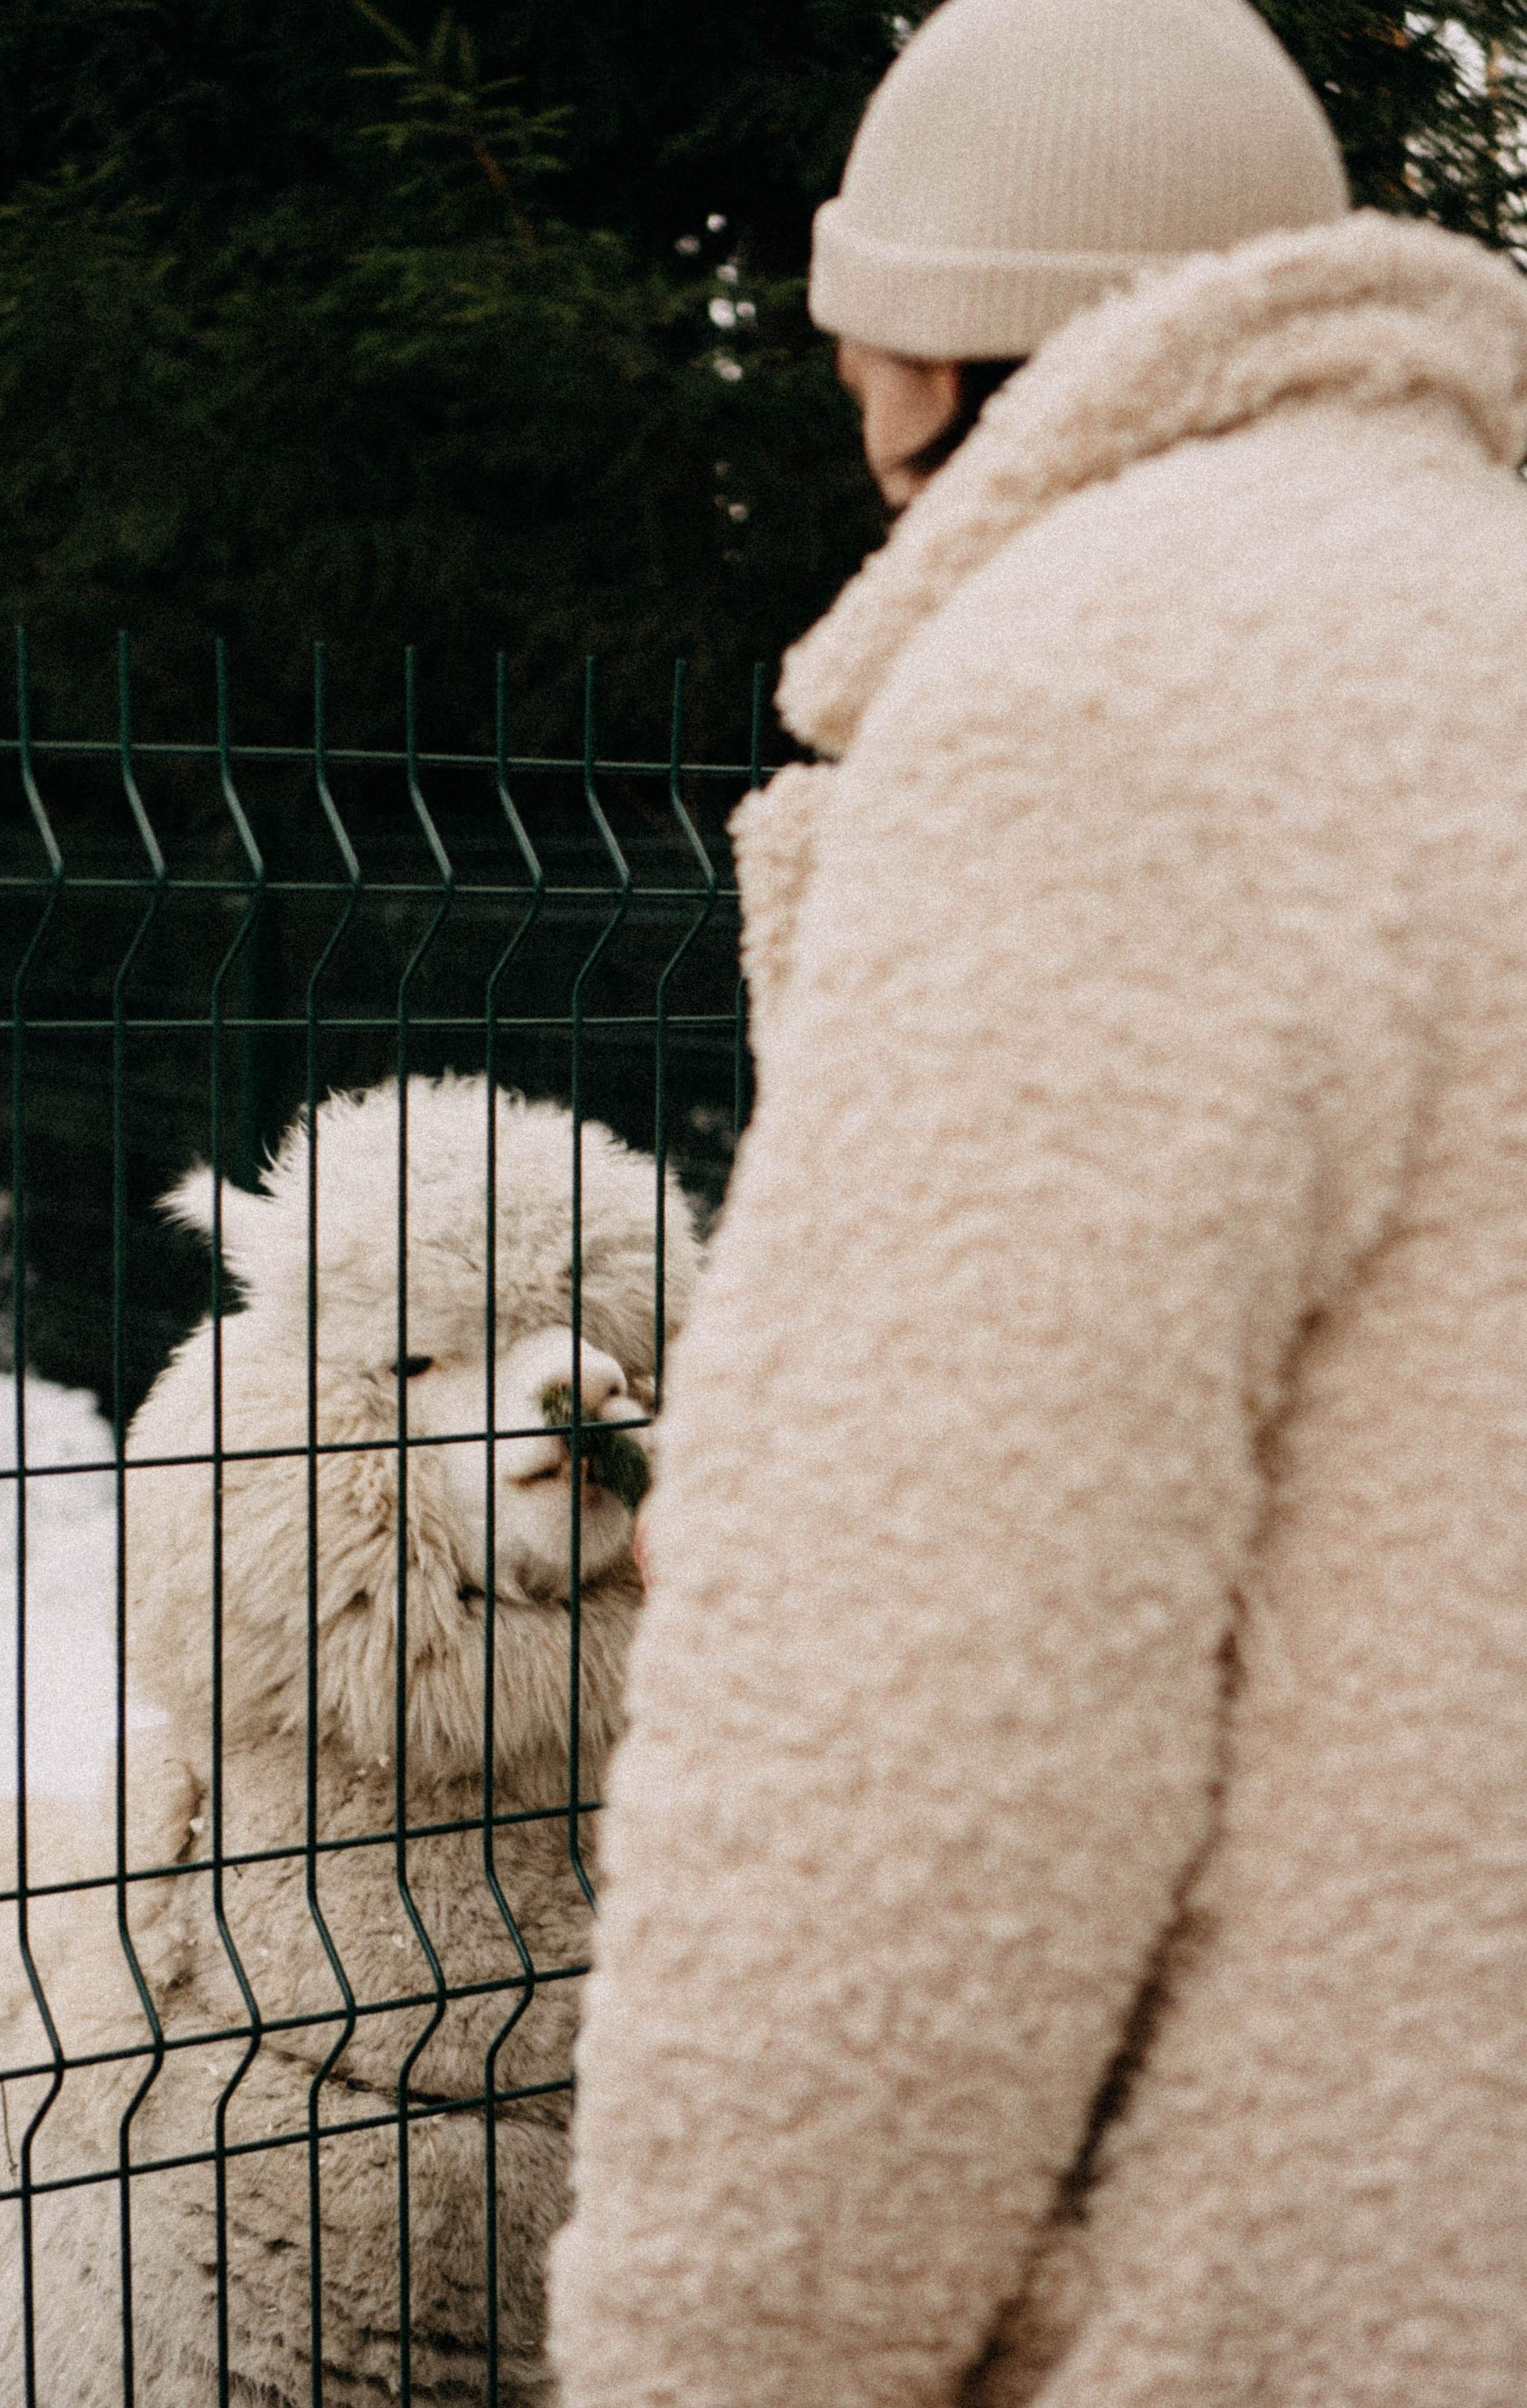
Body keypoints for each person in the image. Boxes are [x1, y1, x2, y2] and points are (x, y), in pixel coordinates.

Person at [549, 1, 1527, 2401]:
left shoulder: (1096, 702)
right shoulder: (1474, 622)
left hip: (1329, 2285)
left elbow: (922, 1721)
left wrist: (724, 2356)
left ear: (909, 353)